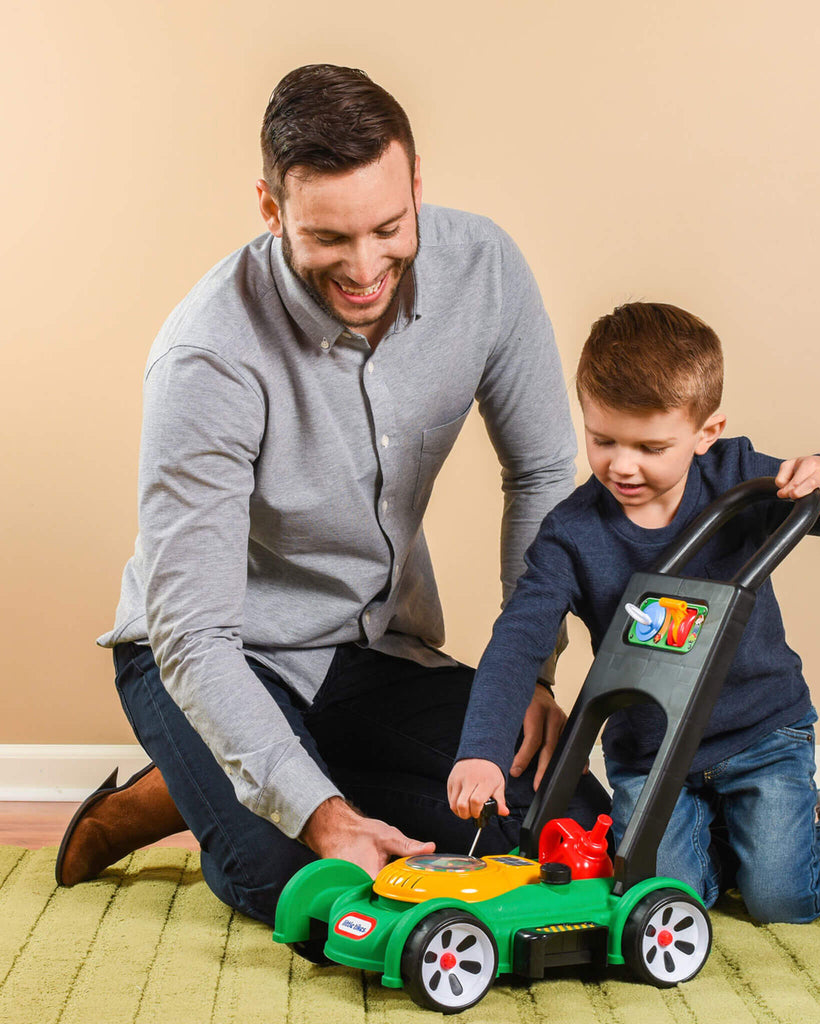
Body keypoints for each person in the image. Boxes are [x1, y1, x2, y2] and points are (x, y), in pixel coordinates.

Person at [57, 64, 609, 934]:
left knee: (566, 822)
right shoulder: (206, 356)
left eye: (389, 228)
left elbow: (542, 472)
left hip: (370, 649)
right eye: (327, 238)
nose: (364, 269)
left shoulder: (486, 270)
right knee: (310, 889)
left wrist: (526, 676)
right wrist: (318, 815)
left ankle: (246, 774)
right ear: (271, 212)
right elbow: (194, 633)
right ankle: (189, 793)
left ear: (418, 187)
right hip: (221, 652)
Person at [448, 302, 820, 923]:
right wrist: (481, 751)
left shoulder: (739, 479)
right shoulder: (570, 534)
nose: (622, 464)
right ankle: (724, 844)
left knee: (782, 898)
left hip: (760, 734)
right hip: (650, 754)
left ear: (705, 432)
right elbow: (516, 642)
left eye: (651, 446)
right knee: (663, 903)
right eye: (602, 440)